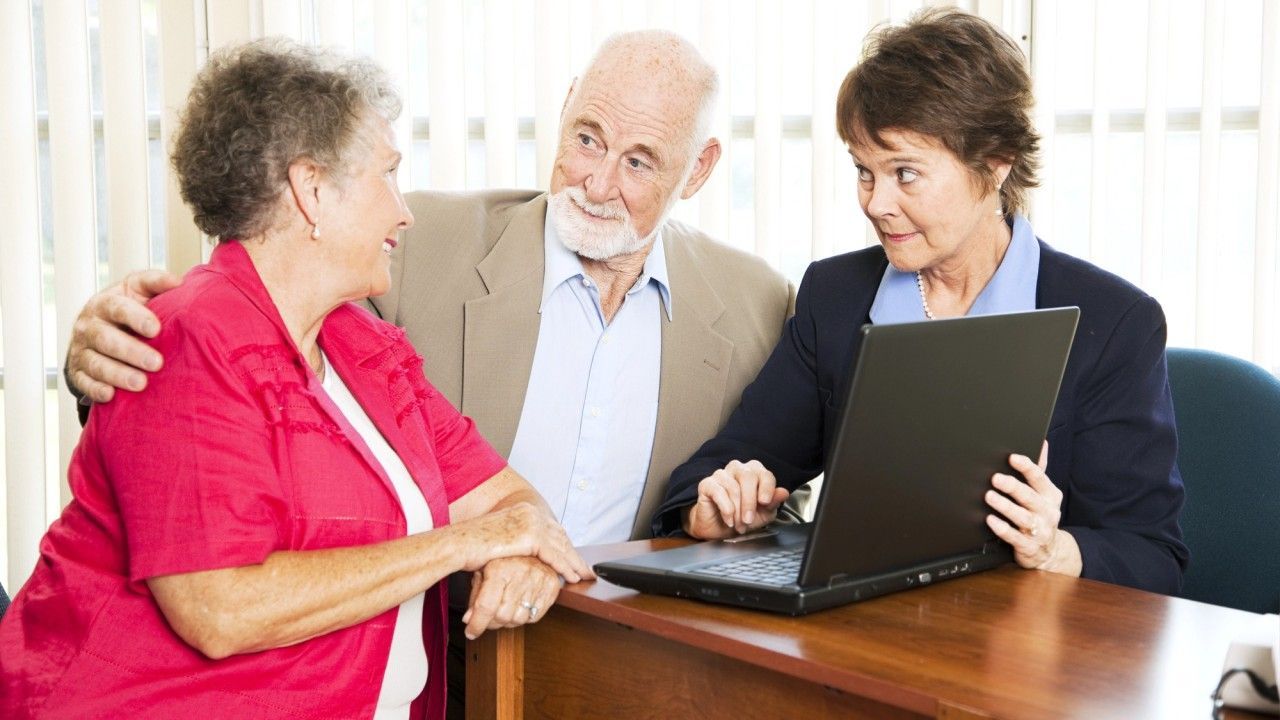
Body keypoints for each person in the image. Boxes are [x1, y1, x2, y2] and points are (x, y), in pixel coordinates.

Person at [0, 40, 591, 719]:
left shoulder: (366, 345)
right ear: (312, 189)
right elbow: (220, 608)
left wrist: (519, 553)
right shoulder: (188, 340)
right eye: (387, 175)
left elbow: (510, 502)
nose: (405, 211)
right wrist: (470, 544)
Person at [64, 30, 794, 548]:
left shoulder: (759, 303)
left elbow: (785, 511)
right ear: (567, 106)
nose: (597, 183)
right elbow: (241, 341)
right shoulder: (406, 246)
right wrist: (110, 349)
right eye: (588, 138)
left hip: (633, 665)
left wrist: (744, 516)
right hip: (436, 649)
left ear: (697, 171)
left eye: (639, 162)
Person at [652, 8, 1189, 595]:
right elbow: (733, 460)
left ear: (995, 162)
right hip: (869, 627)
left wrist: (1056, 548)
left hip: (1026, 651)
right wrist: (712, 508)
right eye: (864, 171)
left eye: (905, 174)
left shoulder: (1114, 323)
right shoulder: (835, 298)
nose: (876, 203)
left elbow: (1153, 556)